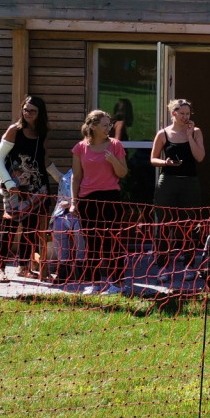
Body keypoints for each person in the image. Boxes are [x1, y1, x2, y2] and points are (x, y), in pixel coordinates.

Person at [0, 95, 51, 283]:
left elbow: (41, 161)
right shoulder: (14, 130)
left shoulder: (42, 132)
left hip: (36, 187)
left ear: (40, 113)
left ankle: (23, 266)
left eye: (32, 111)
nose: (28, 114)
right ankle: (0, 268)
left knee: (31, 229)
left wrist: (61, 178)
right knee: (10, 227)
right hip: (14, 187)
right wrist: (10, 184)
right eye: (25, 110)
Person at [71, 109, 128, 293]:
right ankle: (94, 283)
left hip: (110, 198)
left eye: (109, 125)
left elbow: (123, 173)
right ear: (92, 127)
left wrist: (113, 161)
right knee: (92, 243)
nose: (108, 128)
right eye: (104, 125)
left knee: (113, 242)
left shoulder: (115, 145)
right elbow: (76, 177)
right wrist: (74, 201)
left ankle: (117, 283)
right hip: (87, 199)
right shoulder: (80, 148)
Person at [150, 99, 206, 276]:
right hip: (168, 181)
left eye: (188, 114)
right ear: (173, 114)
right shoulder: (163, 134)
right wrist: (165, 162)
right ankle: (163, 265)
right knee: (164, 223)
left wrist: (189, 136)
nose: (185, 117)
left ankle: (189, 263)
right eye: (182, 113)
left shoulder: (196, 132)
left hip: (189, 182)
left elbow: (200, 157)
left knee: (189, 223)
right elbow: (153, 158)